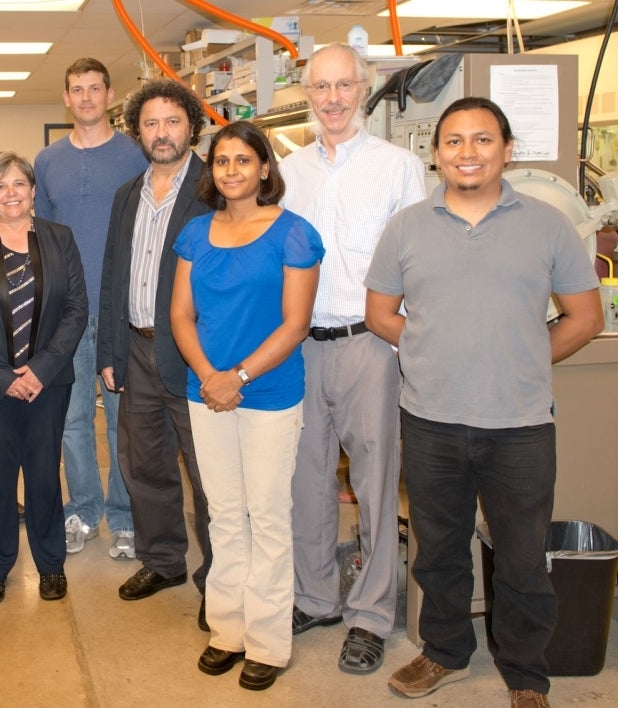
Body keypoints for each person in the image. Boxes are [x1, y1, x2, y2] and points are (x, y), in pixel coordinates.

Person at [365, 97, 603, 708]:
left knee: (522, 559)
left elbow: (584, 316)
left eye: (481, 140)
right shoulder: (407, 227)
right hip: (431, 422)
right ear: (436, 153)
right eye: (453, 142)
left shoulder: (546, 225)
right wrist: (425, 348)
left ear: (507, 149)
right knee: (439, 550)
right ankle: (444, 652)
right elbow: (379, 314)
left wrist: (524, 357)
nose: (467, 153)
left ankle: (526, 674)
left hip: (519, 426)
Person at [278, 42, 426, 674]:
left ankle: (370, 612)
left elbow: (418, 263)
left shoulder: (398, 167)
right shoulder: (289, 172)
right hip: (301, 345)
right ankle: (315, 596)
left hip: (372, 343)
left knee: (373, 483)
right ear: (305, 94)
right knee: (305, 479)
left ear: (363, 90)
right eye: (321, 88)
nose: (332, 99)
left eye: (344, 87)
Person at [170, 121, 324, 690]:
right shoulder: (194, 234)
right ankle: (227, 630)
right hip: (206, 392)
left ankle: (267, 642)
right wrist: (210, 376)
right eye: (220, 161)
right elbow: (181, 315)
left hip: (268, 395)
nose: (230, 170)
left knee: (267, 517)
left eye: (242, 160)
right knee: (224, 515)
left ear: (264, 168)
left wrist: (237, 376)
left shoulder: (294, 234)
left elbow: (295, 324)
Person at [0, 152, 87, 604]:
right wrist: (4, 376)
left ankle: (50, 564)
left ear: (32, 191)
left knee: (45, 474)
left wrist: (41, 369)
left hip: (49, 382)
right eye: (0, 186)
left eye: (19, 184)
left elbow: (75, 309)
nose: (11, 193)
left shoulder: (59, 238)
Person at [98, 78, 212, 626]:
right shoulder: (127, 194)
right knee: (144, 465)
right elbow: (112, 277)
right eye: (151, 123)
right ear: (136, 132)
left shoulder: (216, 187)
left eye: (172, 121)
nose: (161, 133)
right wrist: (109, 351)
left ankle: (219, 578)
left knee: (208, 471)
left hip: (195, 355)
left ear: (191, 124)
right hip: (135, 349)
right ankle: (163, 559)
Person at [34, 58, 148, 559]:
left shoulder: (135, 155)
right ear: (66, 97)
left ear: (109, 94)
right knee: (71, 416)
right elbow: (40, 237)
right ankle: (81, 507)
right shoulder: (47, 161)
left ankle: (124, 516)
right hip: (67, 312)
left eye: (94, 89)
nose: (85, 98)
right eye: (76, 89)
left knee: (123, 418)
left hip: (122, 307)